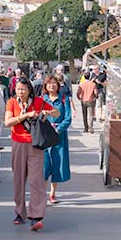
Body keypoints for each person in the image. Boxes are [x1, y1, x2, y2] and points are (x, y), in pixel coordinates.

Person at [5, 76, 59, 231]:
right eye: (18, 89)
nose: (20, 92)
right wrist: (25, 115)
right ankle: (19, 212)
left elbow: (56, 112)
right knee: (19, 179)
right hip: (18, 142)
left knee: (36, 180)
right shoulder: (12, 102)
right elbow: (8, 122)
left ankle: (36, 215)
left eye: (23, 89)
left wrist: (47, 113)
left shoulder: (38, 102)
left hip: (35, 143)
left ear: (29, 90)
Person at [42, 75, 73, 204]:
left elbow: (68, 118)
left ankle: (52, 193)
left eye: (54, 83)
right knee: (44, 164)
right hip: (44, 136)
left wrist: (58, 129)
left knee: (57, 162)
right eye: (49, 83)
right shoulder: (42, 100)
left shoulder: (64, 99)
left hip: (59, 136)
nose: (52, 86)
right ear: (46, 86)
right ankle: (42, 194)